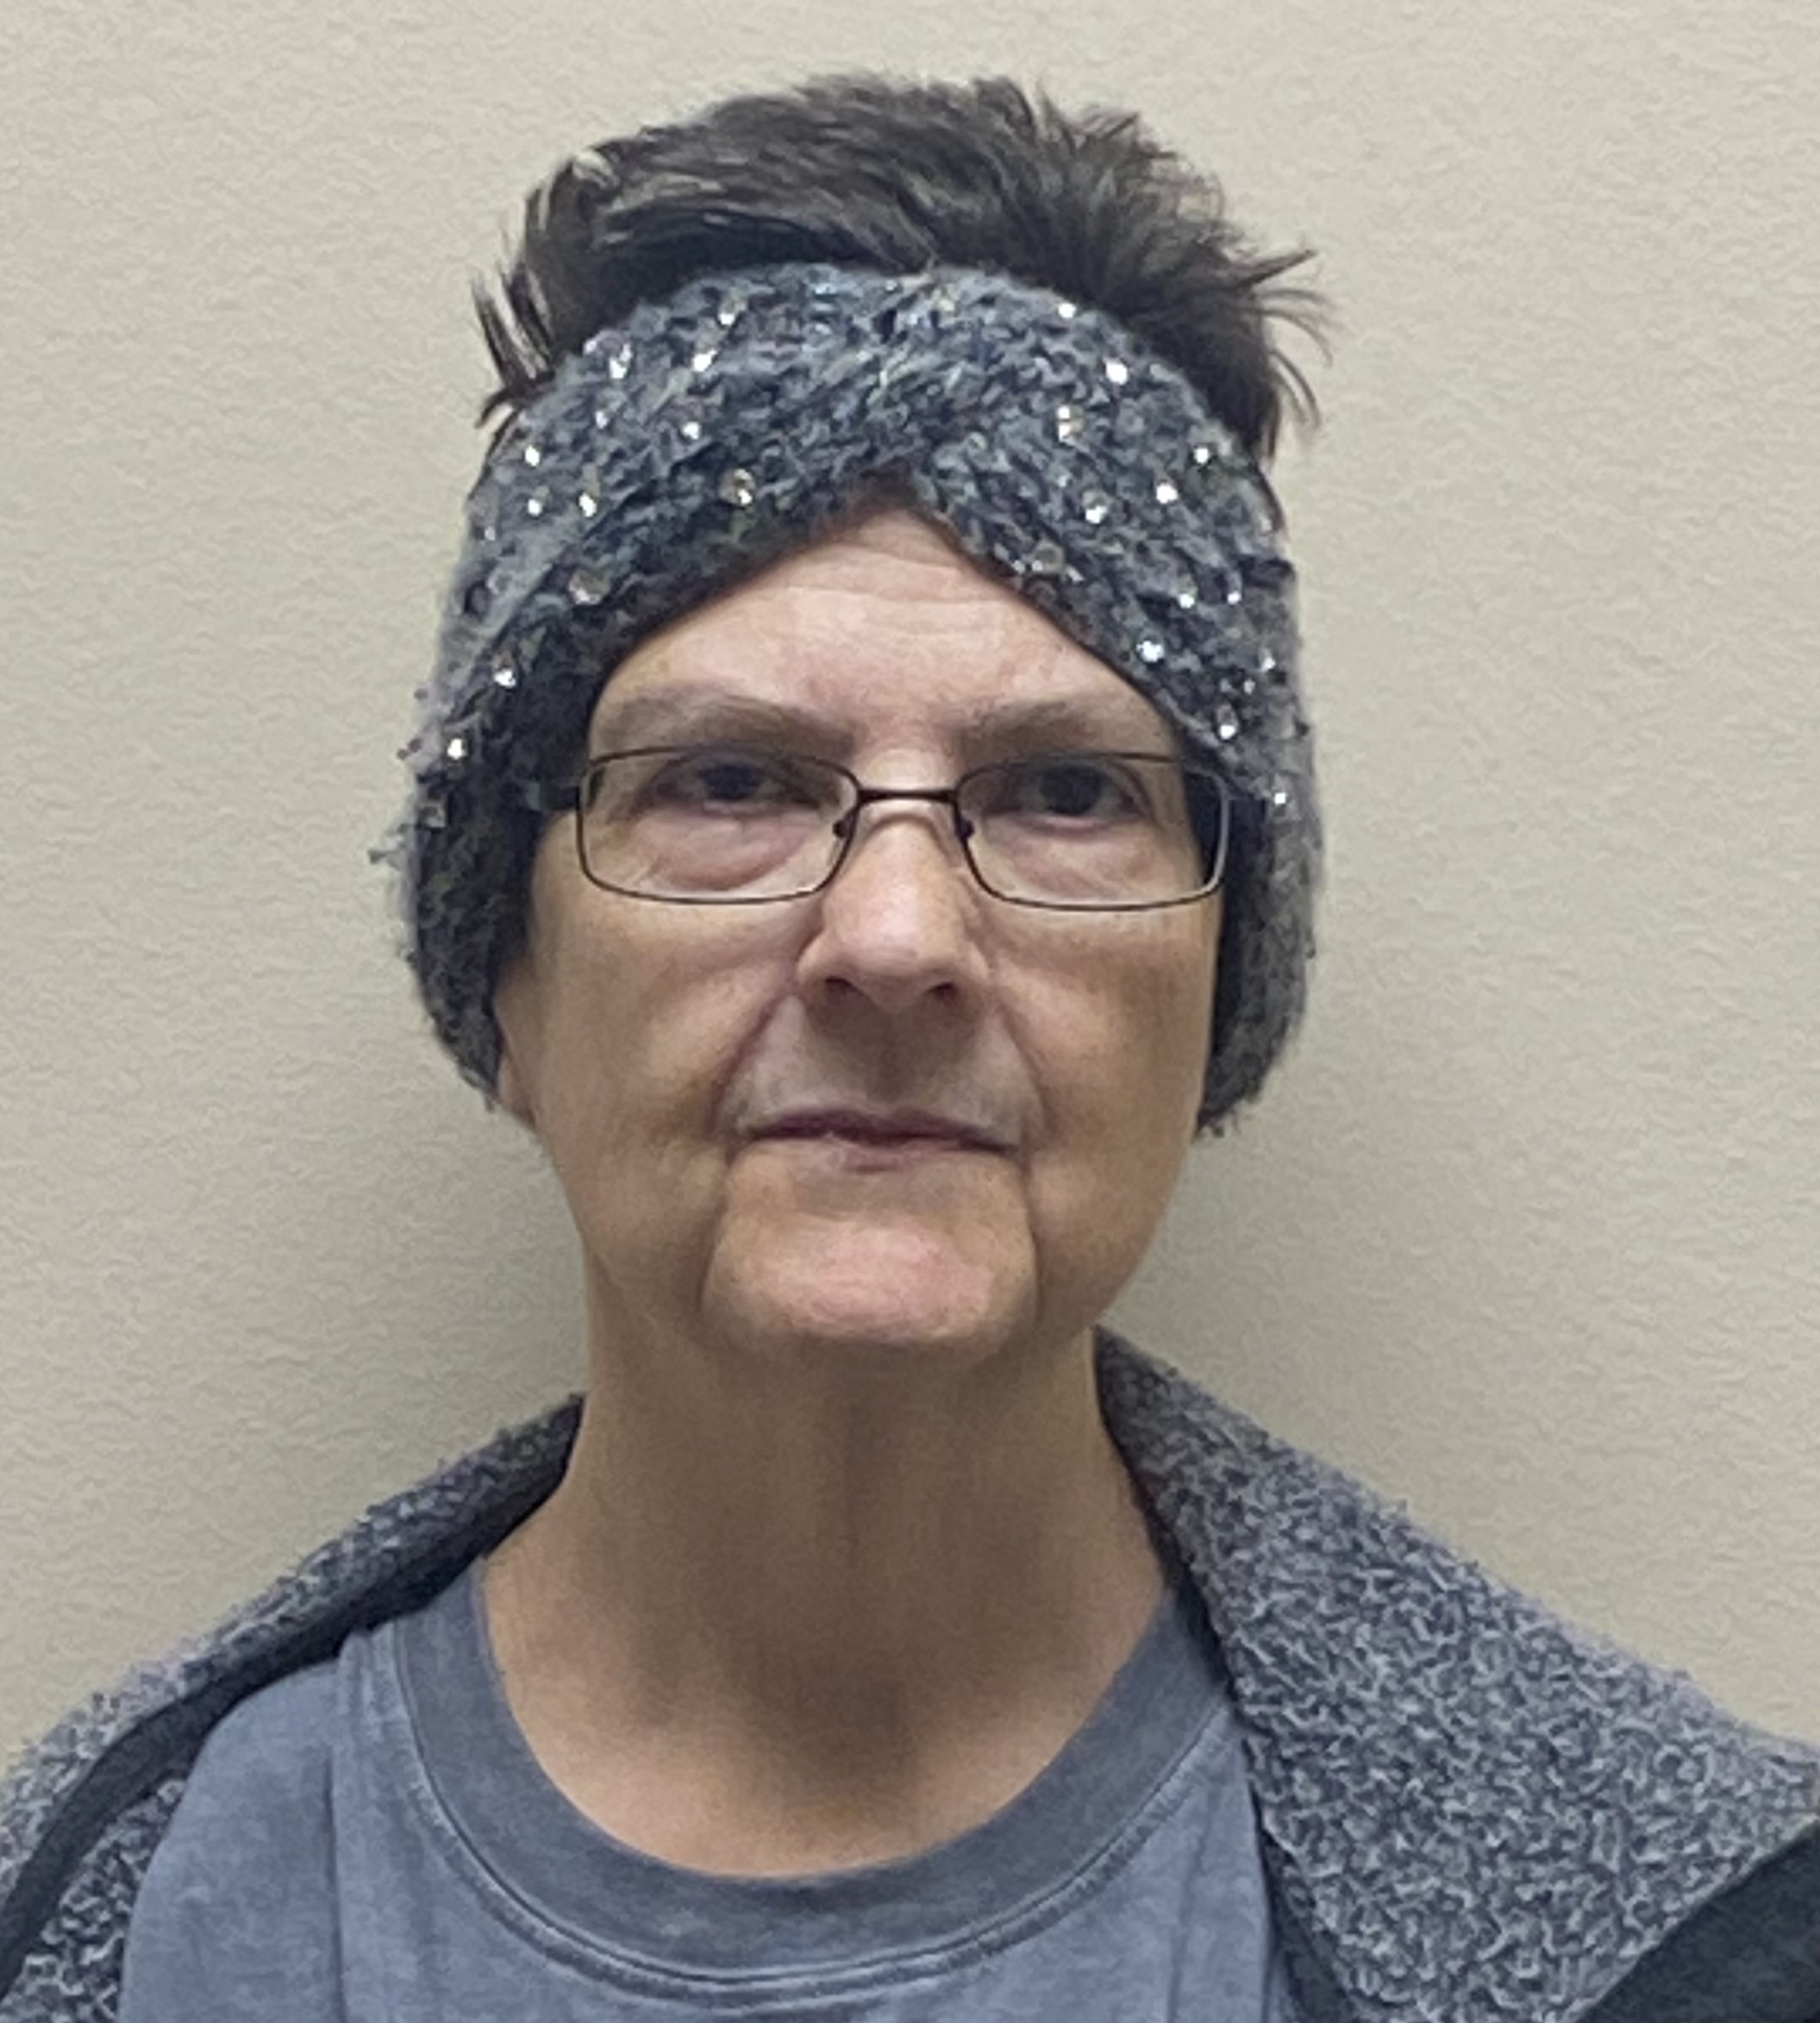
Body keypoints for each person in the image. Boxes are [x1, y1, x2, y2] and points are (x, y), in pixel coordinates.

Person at [3, 73, 1816, 2023]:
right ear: (506, 980)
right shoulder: (122, 1915)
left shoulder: (1712, 1942)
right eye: (727, 780)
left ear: (1217, 991)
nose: (894, 937)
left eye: (1062, 791)